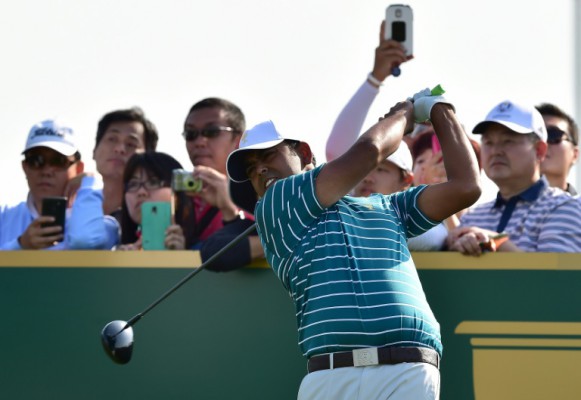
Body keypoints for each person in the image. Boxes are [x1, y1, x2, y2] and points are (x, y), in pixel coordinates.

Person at [226, 90, 481, 399]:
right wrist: (406, 112)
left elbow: (466, 187)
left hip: (408, 371)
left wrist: (440, 109)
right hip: (334, 376)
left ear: (305, 155)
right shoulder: (276, 203)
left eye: (267, 157)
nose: (260, 170)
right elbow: (371, 149)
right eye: (251, 170)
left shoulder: (390, 207)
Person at [448, 100, 581, 255]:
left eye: (508, 141)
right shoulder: (473, 217)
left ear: (539, 150)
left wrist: (497, 242)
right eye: (488, 142)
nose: (496, 151)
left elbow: (555, 277)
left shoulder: (566, 207)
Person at [0, 119, 119, 250]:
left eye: (58, 161)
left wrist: (92, 180)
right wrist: (21, 245)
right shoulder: (3, 216)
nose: (46, 171)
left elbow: (84, 240)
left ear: (79, 169)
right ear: (25, 167)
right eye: (36, 160)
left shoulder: (103, 226)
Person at [182, 97, 262, 270]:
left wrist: (229, 209)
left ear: (239, 139)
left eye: (211, 132)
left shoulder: (263, 188)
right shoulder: (174, 196)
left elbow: (273, 236)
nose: (199, 141)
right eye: (191, 134)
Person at [92, 107, 159, 221]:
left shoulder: (155, 214)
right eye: (112, 139)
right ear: (94, 150)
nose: (120, 149)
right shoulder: (72, 207)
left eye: (131, 144)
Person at [116, 152, 192, 251]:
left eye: (153, 182)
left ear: (177, 194)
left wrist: (181, 259)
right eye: (133, 184)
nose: (141, 192)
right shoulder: (112, 243)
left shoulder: (205, 250)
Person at [536, 103, 579, 195]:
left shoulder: (577, 207)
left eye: (553, 135)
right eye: (535, 136)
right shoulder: (499, 208)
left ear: (575, 154)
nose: (543, 143)